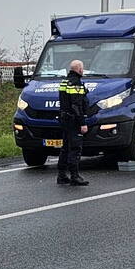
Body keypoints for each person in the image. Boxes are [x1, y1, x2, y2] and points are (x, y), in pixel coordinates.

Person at [57, 59, 94, 187]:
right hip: (74, 120)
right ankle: (75, 176)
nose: (82, 70)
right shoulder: (76, 83)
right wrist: (82, 123)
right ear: (79, 69)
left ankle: (61, 175)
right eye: (82, 68)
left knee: (65, 148)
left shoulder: (64, 82)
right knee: (75, 148)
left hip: (64, 119)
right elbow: (76, 105)